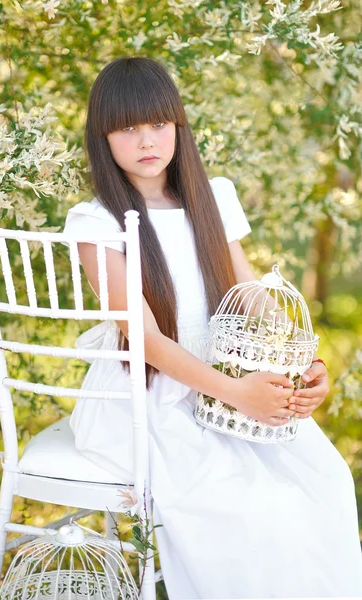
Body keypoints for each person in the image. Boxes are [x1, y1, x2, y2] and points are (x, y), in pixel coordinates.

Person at [63, 56, 362, 599]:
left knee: (326, 480)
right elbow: (147, 341)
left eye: (158, 123)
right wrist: (236, 393)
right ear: (103, 137)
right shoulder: (96, 221)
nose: (147, 140)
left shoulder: (212, 197)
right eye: (127, 128)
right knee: (251, 509)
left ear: (178, 126)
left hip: (229, 374)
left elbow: (248, 297)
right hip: (150, 394)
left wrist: (302, 363)